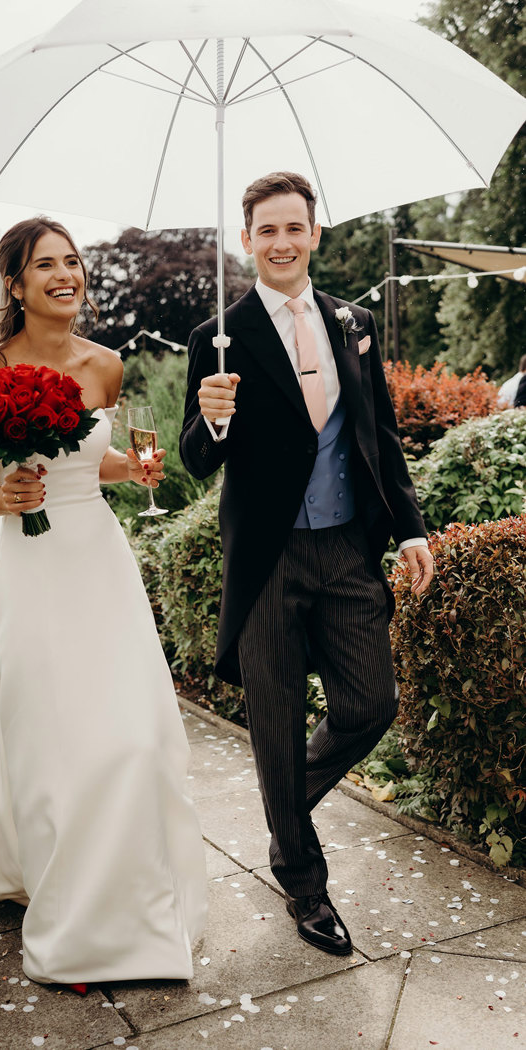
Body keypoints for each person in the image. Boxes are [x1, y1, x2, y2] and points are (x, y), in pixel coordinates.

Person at [0, 216, 206, 987]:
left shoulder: (107, 366)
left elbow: (106, 461)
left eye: (73, 262)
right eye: (45, 265)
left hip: (99, 564)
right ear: (15, 284)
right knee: (57, 749)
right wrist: (9, 495)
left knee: (134, 739)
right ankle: (75, 930)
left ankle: (137, 908)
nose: (67, 275)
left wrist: (142, 468)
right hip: (26, 570)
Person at [180, 172, 433, 957]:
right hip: (267, 559)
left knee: (371, 706)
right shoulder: (215, 338)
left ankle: (286, 803)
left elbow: (379, 436)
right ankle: (303, 880)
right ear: (246, 238)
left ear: (315, 233)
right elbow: (192, 460)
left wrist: (411, 530)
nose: (282, 242)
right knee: (277, 723)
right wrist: (212, 420)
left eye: (295, 227)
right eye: (266, 230)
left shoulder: (353, 322)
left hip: (347, 549)